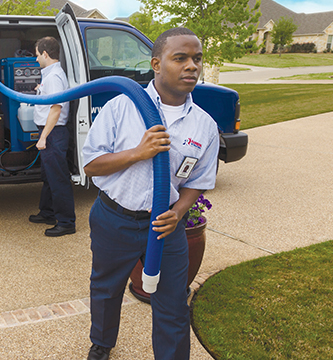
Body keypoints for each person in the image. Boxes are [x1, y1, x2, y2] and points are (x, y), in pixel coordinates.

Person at [81, 27, 219, 360]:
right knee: (106, 289)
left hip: (165, 228)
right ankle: (102, 343)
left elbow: (199, 179)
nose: (192, 66)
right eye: (180, 58)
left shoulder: (205, 125)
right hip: (115, 218)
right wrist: (137, 153)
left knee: (172, 302)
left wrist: (180, 210)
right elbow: (91, 165)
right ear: (156, 63)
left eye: (197, 59)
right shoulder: (120, 108)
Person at [27, 36, 76, 237]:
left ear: (45, 54)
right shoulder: (50, 76)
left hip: (53, 133)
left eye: (37, 55)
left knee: (58, 178)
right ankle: (47, 212)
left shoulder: (54, 76)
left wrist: (43, 137)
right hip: (50, 132)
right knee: (48, 176)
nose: (36, 59)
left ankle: (66, 222)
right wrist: (41, 90)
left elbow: (56, 109)